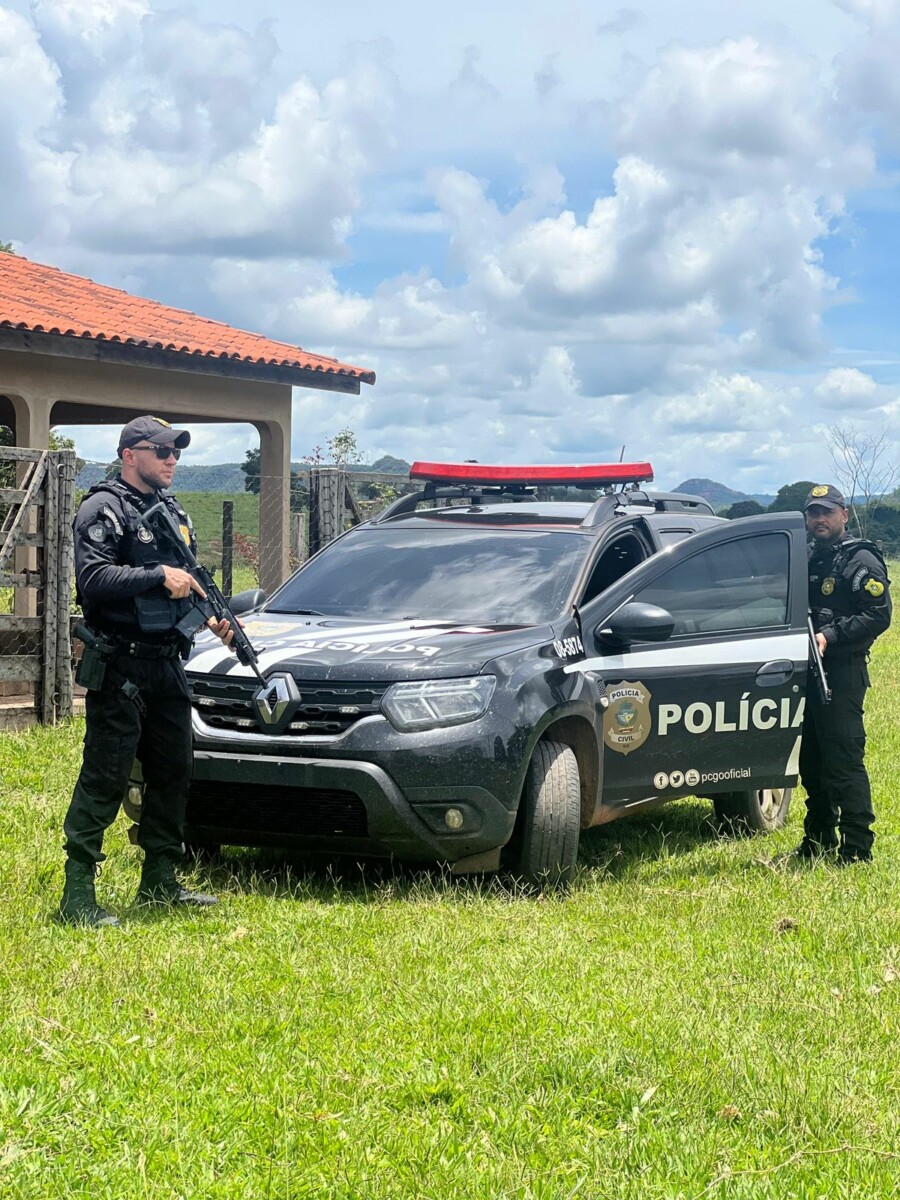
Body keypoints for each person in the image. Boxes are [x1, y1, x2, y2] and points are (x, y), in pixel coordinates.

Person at [57, 416, 234, 926]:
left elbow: (190, 584)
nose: (171, 460)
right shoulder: (102, 507)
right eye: (162, 452)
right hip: (120, 665)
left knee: (173, 772)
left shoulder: (173, 513)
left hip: (166, 665)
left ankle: (160, 880)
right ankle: (77, 893)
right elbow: (93, 579)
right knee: (106, 776)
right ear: (130, 454)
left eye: (175, 452)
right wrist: (158, 573)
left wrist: (213, 620)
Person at [795, 484, 892, 865]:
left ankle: (856, 848)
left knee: (843, 761)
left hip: (841, 672)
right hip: (804, 673)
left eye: (827, 512)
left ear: (843, 515)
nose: (819, 519)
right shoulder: (807, 558)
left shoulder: (860, 559)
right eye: (813, 513)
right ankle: (818, 839)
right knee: (811, 761)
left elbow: (878, 615)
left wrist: (829, 635)